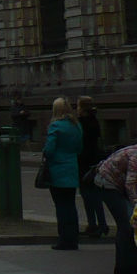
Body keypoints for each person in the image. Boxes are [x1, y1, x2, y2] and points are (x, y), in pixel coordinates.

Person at [93, 142, 137, 274]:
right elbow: (130, 183)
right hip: (109, 184)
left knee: (127, 226)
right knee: (129, 224)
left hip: (117, 183)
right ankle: (127, 270)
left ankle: (122, 269)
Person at [43, 96, 83, 251]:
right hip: (72, 168)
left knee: (61, 206)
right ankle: (73, 237)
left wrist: (46, 152)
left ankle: (64, 238)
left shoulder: (55, 126)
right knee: (71, 205)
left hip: (57, 170)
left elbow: (50, 150)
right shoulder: (76, 126)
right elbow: (79, 148)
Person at [77, 96, 108, 238]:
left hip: (84, 161)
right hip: (94, 160)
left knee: (88, 194)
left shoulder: (82, 122)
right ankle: (100, 224)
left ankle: (94, 224)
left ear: (81, 107)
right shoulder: (94, 120)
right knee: (94, 194)